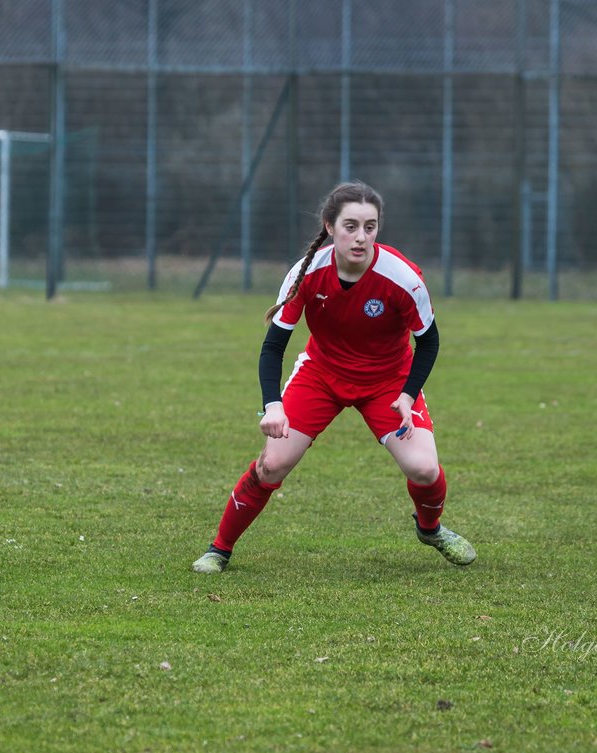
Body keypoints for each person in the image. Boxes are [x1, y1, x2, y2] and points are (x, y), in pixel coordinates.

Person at [191, 181, 475, 574]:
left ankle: (430, 529)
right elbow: (274, 345)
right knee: (271, 465)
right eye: (351, 226)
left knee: (425, 469)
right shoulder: (306, 273)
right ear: (329, 226)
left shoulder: (403, 277)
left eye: (370, 227)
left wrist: (408, 396)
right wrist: (272, 405)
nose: (361, 237)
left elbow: (428, 343)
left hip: (387, 382)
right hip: (321, 376)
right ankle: (219, 550)